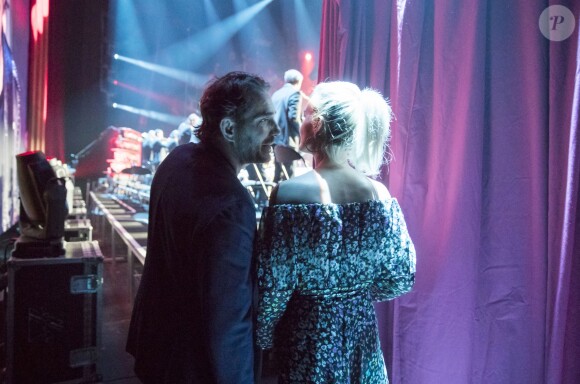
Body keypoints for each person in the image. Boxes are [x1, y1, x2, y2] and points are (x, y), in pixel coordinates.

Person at [255, 81, 416, 383]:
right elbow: (401, 276)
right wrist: (353, 294)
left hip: (307, 341)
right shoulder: (379, 195)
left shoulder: (288, 195)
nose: (298, 121)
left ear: (317, 123)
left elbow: (273, 287)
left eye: (304, 115)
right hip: (361, 338)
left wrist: (263, 338)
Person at [127, 71, 280, 383]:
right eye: (264, 120)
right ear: (229, 128)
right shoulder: (231, 204)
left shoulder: (176, 160)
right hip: (193, 368)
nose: (276, 130)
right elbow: (227, 322)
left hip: (157, 350)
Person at [271, 69, 303, 182]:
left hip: (275, 139)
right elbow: (294, 117)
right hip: (287, 139)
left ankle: (274, 198)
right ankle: (289, 199)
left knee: (277, 172)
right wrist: (302, 133)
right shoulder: (295, 93)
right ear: (298, 81)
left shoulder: (276, 94)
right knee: (289, 175)